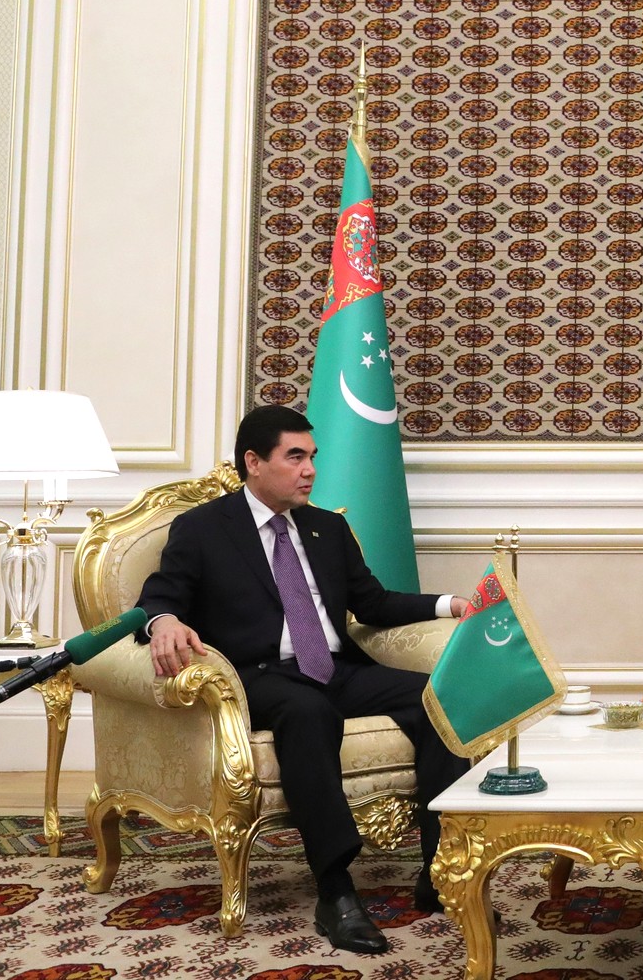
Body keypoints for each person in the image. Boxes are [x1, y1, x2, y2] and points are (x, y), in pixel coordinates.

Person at [137, 405, 472, 955]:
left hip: (335, 668)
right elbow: (161, 594)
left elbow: (373, 602)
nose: (310, 469)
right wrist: (165, 621)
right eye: (295, 457)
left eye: (312, 457)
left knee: (439, 698)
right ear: (254, 462)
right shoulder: (203, 528)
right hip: (259, 674)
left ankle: (440, 870)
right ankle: (335, 890)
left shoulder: (326, 527)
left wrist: (449, 603)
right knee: (308, 711)